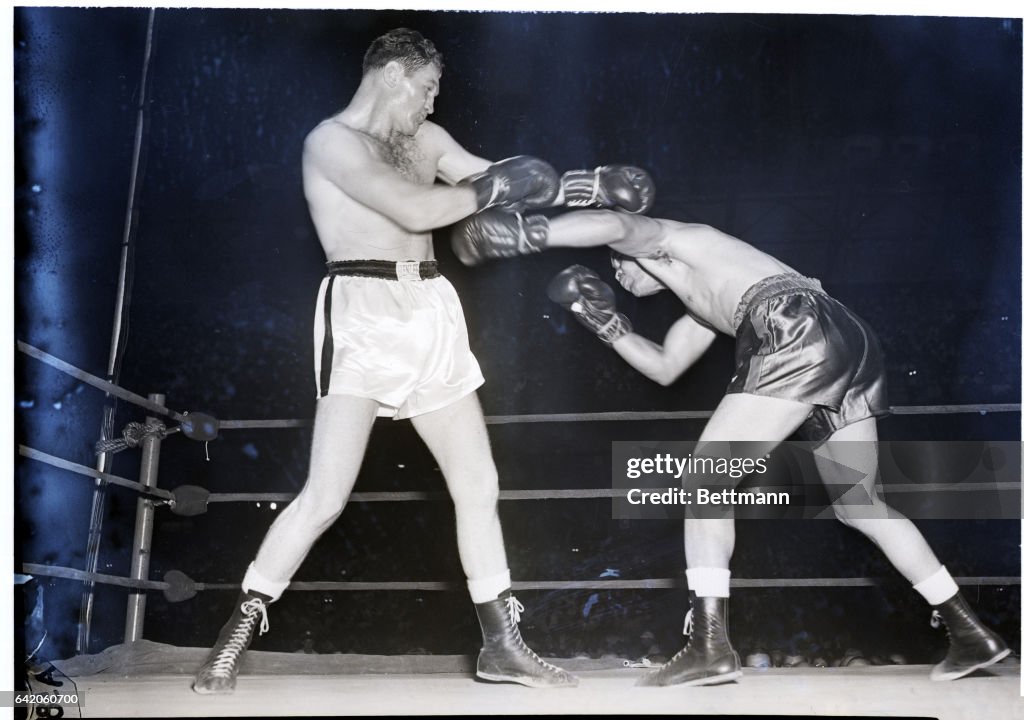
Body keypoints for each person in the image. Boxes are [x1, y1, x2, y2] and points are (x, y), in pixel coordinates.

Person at [190, 28, 653, 694]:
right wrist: (497, 190)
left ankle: (502, 645)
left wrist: (586, 187)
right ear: (393, 75)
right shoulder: (330, 142)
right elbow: (414, 207)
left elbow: (497, 178)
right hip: (361, 311)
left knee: (478, 483)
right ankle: (237, 630)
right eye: (429, 87)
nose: (433, 104)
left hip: (432, 309)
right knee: (324, 497)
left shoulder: (428, 142)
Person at [450, 207, 1011, 686]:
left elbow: (616, 222)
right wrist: (603, 323)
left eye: (618, 266)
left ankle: (710, 646)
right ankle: (968, 632)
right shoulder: (702, 303)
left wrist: (532, 233)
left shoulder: (675, 242)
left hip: (792, 324)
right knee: (860, 504)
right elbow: (666, 368)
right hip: (843, 337)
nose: (618, 277)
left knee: (705, 479)